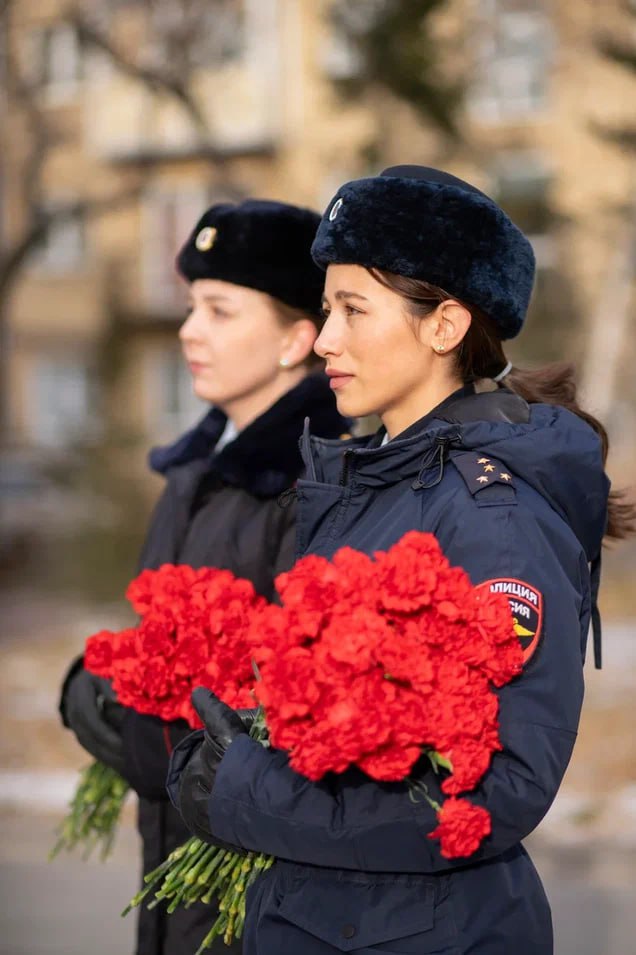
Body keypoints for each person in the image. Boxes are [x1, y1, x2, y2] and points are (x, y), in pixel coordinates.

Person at [168, 166, 635, 955]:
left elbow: (497, 788)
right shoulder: (373, 473)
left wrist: (243, 789)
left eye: (353, 310)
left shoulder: (496, 514)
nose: (325, 340)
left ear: (445, 325)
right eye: (326, 310)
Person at [58, 198, 348, 955]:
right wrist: (98, 679)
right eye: (191, 306)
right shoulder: (195, 471)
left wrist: (142, 736)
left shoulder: (311, 483)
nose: (189, 330)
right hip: (175, 858)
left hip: (255, 883)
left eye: (219, 309)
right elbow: (162, 638)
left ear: (298, 338)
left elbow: (281, 708)